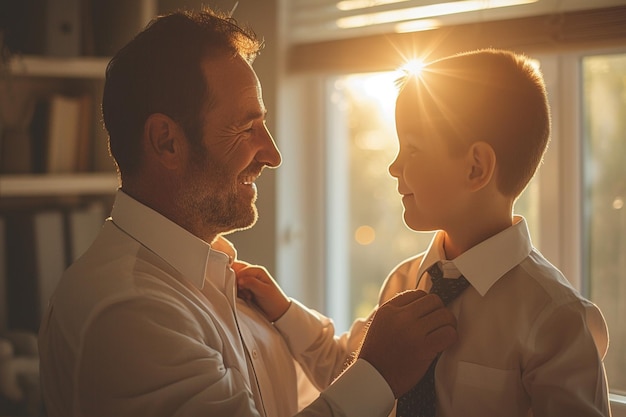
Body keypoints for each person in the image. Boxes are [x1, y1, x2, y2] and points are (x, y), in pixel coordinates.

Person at [37, 8, 461, 417]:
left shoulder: (224, 279)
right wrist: (378, 375)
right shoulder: (128, 312)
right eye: (245, 128)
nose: (273, 155)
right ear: (167, 142)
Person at [237, 49, 612, 416]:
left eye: (412, 149)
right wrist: (285, 312)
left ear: (475, 168)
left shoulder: (555, 319)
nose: (394, 166)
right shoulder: (404, 283)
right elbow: (357, 373)